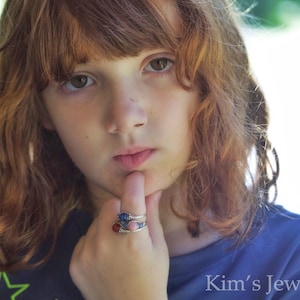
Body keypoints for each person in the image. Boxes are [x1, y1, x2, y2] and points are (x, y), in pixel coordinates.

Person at [0, 0, 299, 299]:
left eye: (159, 64)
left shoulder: (289, 265)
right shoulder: (11, 254)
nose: (125, 118)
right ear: (39, 106)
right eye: (79, 81)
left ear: (211, 75)